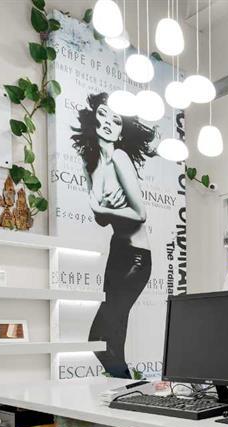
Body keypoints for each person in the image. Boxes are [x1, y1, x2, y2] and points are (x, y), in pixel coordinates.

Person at [71, 92, 157, 378]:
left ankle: (127, 388)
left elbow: (140, 214)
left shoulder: (120, 158)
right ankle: (126, 393)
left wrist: (103, 207)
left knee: (99, 337)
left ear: (121, 131)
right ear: (94, 120)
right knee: (114, 337)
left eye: (116, 120)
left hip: (136, 258)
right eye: (103, 115)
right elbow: (100, 219)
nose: (108, 122)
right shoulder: (90, 164)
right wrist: (103, 208)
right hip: (117, 253)